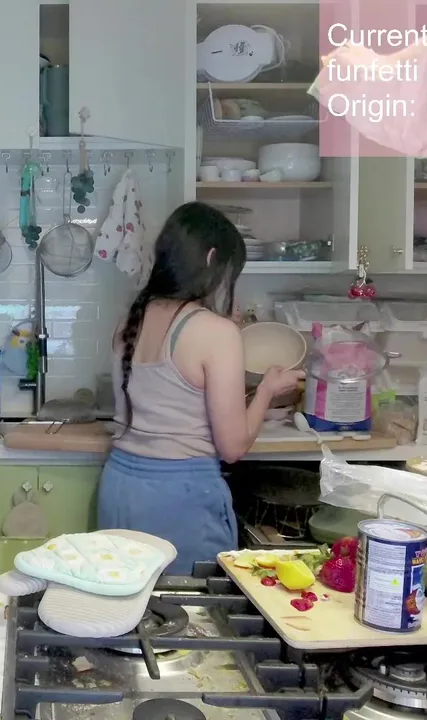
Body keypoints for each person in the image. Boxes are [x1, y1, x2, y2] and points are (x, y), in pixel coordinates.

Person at [98, 201, 304, 573]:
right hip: (180, 498)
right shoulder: (215, 332)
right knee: (190, 607)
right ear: (211, 258)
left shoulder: (128, 320)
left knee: (128, 601)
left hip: (120, 487)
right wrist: (266, 391)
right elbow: (233, 447)